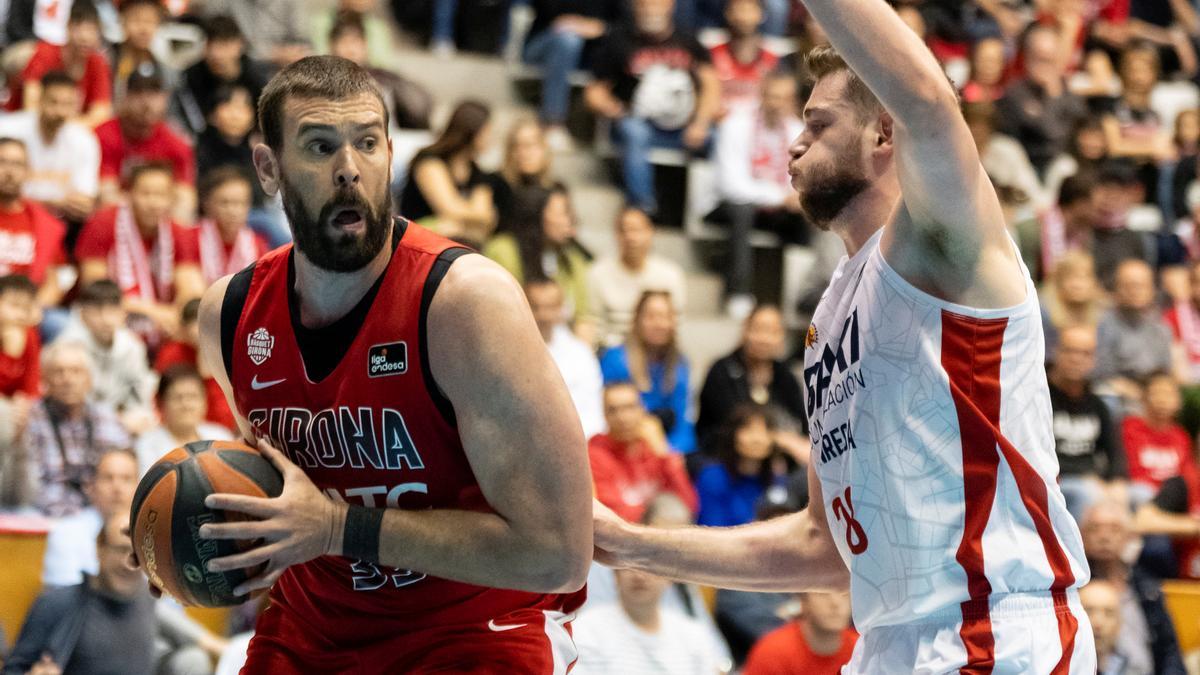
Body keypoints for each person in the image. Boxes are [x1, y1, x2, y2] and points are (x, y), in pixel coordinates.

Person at [594, 17, 1098, 670]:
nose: (795, 144)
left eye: (818, 123)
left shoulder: (938, 243)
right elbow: (821, 548)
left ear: (884, 132)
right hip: (889, 643)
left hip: (993, 629)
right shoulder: (827, 317)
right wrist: (629, 543)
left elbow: (925, 95)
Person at [163, 56, 591, 671]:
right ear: (268, 167)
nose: (348, 170)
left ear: (391, 153)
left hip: (471, 631)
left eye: (367, 143)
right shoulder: (228, 314)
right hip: (313, 632)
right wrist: (181, 544)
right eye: (318, 146)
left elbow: (558, 554)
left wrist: (339, 529)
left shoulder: (466, 302)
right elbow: (271, 492)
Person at [585, 0, 720, 214]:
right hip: (640, 125)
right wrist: (614, 109)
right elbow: (594, 91)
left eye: (656, 4)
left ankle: (712, 211)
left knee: (720, 137)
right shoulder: (619, 40)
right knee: (634, 131)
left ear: (671, 5)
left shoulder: (688, 39)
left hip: (684, 130)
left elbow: (711, 84)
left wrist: (701, 123)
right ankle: (642, 207)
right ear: (634, 7)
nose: (650, 10)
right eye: (644, 5)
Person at [4, 515, 156, 675]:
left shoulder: (150, 601)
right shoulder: (57, 603)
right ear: (99, 547)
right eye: (120, 550)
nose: (129, 563)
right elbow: (13, 669)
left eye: (138, 554)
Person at [712, 71, 807, 314]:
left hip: (780, 210)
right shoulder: (735, 124)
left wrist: (795, 199)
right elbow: (731, 185)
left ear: (792, 102)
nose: (776, 104)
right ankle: (738, 293)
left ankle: (805, 299)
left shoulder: (799, 132)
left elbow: (800, 180)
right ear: (761, 95)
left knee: (815, 217)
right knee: (741, 212)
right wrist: (780, 197)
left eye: (782, 99)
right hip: (732, 205)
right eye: (771, 97)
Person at [75, 163, 204, 338]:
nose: (153, 202)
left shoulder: (179, 231)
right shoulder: (103, 223)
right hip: (108, 316)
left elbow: (191, 289)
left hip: (164, 322)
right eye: (145, 194)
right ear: (128, 194)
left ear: (172, 198)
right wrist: (153, 311)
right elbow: (95, 288)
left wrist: (178, 315)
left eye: (160, 195)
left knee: (196, 328)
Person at [573, 539, 724, 674]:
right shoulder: (587, 629)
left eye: (648, 567)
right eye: (629, 566)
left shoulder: (694, 634)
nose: (639, 575)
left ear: (668, 577)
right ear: (615, 576)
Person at [20, 340, 130, 517]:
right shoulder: (31, 419)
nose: (68, 380)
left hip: (97, 514)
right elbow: (26, 486)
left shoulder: (105, 417)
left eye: (76, 372)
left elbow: (125, 467)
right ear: (45, 379)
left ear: (89, 380)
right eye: (59, 372)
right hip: (44, 513)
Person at [1081, 500, 1187, 675]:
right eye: (1095, 528)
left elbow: (1170, 651)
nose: (1104, 537)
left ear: (1129, 537)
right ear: (1081, 536)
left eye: (1114, 529)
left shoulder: (1147, 587)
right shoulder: (1071, 589)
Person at [696, 304, 806, 456]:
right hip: (723, 458)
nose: (764, 338)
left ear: (781, 336)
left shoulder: (785, 375)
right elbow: (733, 426)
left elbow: (802, 421)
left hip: (775, 462)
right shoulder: (722, 371)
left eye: (772, 332)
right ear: (745, 330)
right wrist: (784, 440)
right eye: (758, 329)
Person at [95, 70, 197, 225]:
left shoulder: (176, 143)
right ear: (125, 97)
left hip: (160, 224)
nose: (146, 102)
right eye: (138, 93)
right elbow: (106, 196)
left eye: (154, 94)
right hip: (114, 223)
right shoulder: (103, 136)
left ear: (165, 99)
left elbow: (185, 199)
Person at [1049, 324, 1129, 521]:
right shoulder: (1039, 398)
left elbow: (1115, 452)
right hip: (1055, 482)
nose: (1076, 359)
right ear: (1055, 351)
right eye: (1070, 351)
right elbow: (1033, 453)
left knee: (1140, 494)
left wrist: (1117, 482)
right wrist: (1085, 476)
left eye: (1085, 353)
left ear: (1094, 360)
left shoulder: (1098, 405)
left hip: (1093, 480)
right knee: (1086, 493)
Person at [56, 280, 158, 434]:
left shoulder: (132, 346)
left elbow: (140, 393)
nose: (105, 318)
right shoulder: (67, 346)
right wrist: (112, 419)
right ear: (82, 314)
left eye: (112, 311)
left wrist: (135, 416)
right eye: (97, 311)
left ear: (123, 314)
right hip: (78, 420)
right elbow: (68, 400)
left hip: (122, 418)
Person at [0, 70, 99, 225]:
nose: (60, 111)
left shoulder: (84, 139)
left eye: (67, 104)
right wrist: (56, 203)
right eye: (53, 102)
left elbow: (85, 201)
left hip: (63, 223)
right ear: (40, 100)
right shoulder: (7, 129)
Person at [601, 290, 695, 453]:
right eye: (651, 316)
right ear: (637, 320)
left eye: (665, 317)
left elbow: (683, 419)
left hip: (666, 445)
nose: (659, 324)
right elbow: (608, 413)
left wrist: (673, 452)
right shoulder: (615, 359)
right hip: (625, 441)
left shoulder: (679, 363)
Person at [589, 382, 698, 522]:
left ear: (643, 409)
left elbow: (689, 504)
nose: (622, 417)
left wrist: (664, 453)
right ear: (604, 415)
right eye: (613, 410)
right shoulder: (596, 452)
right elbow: (610, 513)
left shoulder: (654, 446)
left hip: (663, 531)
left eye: (629, 407)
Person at [522, 0, 623, 150]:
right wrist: (584, 26)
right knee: (568, 40)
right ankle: (552, 122)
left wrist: (599, 26)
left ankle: (617, 117)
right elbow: (555, 17)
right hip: (543, 43)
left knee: (618, 41)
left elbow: (623, 23)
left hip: (591, 53)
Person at [484, 184, 591, 321]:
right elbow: (496, 311)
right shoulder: (502, 251)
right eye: (563, 213)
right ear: (536, 215)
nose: (570, 221)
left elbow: (583, 317)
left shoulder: (572, 260)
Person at [398, 100, 497, 243]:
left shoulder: (478, 172)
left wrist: (461, 223)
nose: (490, 138)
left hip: (457, 241)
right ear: (472, 130)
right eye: (487, 131)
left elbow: (486, 219)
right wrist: (473, 218)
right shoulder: (429, 161)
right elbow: (450, 208)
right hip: (417, 237)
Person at [996, 23, 1089, 175]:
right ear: (1026, 57)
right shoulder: (1014, 93)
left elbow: (1080, 132)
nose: (1044, 66)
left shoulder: (1070, 94)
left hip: (1062, 172)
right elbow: (1050, 134)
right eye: (1038, 58)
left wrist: (1054, 95)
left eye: (1049, 59)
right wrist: (1053, 95)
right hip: (1025, 171)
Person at [587, 207, 686, 348]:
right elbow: (593, 324)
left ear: (650, 232)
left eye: (636, 230)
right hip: (612, 352)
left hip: (657, 352)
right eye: (624, 231)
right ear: (616, 235)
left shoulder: (671, 275)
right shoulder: (597, 273)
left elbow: (675, 326)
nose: (630, 237)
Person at [4, 0, 113, 127]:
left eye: (92, 30)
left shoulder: (98, 63)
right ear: (67, 27)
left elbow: (101, 114)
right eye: (79, 28)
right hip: (25, 126)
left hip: (70, 132)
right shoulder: (45, 53)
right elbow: (31, 106)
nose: (85, 37)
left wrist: (68, 129)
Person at [42, 448, 138, 586]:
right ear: (91, 486)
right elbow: (65, 598)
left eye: (126, 479)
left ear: (139, 486)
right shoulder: (65, 534)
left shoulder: (152, 536)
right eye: (108, 478)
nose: (117, 488)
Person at [695, 404, 800, 527]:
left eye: (765, 430)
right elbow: (711, 528)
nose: (757, 438)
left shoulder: (777, 479)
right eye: (748, 429)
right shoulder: (713, 477)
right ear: (733, 434)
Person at [526, 278, 605, 439]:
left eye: (550, 307)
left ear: (563, 308)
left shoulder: (580, 353)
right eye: (535, 307)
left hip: (581, 441)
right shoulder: (509, 350)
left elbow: (593, 411)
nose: (543, 315)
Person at [327, 12, 432, 132]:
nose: (350, 49)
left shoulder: (384, 77)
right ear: (331, 45)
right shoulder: (320, 79)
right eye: (344, 42)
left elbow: (419, 108)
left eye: (355, 42)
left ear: (365, 45)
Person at [171, 14, 271, 138]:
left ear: (239, 45)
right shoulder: (190, 77)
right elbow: (191, 122)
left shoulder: (258, 76)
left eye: (223, 45)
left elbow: (269, 119)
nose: (215, 53)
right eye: (210, 45)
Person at [1094, 259, 1174, 403]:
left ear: (1152, 289)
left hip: (1153, 396)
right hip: (1119, 395)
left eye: (1141, 286)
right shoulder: (1103, 325)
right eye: (1128, 286)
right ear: (1116, 289)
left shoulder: (1161, 328)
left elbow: (1165, 373)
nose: (1134, 291)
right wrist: (1132, 391)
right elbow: (1101, 375)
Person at [0, 137, 68, 307]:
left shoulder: (46, 224)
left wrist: (30, 311)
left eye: (17, 164)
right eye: (2, 162)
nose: (9, 171)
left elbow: (53, 283)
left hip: (28, 308)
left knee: (60, 323)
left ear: (28, 172)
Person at [154, 299, 236, 431]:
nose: (198, 331)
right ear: (183, 328)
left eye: (204, 324)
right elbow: (162, 396)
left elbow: (225, 419)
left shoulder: (226, 351)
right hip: (175, 427)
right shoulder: (172, 353)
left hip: (216, 428)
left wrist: (207, 361)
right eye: (194, 324)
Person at [136, 365, 233, 474]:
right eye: (177, 397)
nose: (186, 405)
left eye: (193, 396)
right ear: (161, 403)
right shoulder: (147, 444)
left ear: (205, 401)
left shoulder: (222, 437)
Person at [1122, 372, 1197, 504]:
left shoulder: (1181, 435)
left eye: (1168, 394)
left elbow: (1189, 477)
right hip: (1144, 496)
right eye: (1156, 393)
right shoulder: (1130, 428)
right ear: (1143, 398)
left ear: (1178, 402)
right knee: (1141, 493)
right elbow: (1131, 473)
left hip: (1174, 498)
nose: (1162, 400)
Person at [742, 591, 858, 675]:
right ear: (803, 601)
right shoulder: (772, 652)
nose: (835, 603)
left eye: (844, 594)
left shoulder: (863, 647)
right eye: (822, 594)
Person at [195, 167, 270, 286]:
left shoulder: (257, 244)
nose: (233, 211)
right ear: (207, 204)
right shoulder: (191, 237)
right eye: (225, 203)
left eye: (241, 203)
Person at [709, 0, 780, 115]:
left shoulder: (772, 58)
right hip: (722, 120)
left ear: (761, 14)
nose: (744, 17)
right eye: (740, 9)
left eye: (750, 10)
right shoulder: (714, 54)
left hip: (758, 122)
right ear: (728, 14)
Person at [1134, 461, 1200, 579]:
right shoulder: (1184, 483)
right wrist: (1194, 527)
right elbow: (1142, 521)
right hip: (1183, 578)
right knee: (1156, 546)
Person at [110, 0, 166, 105]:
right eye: (136, 20)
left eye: (150, 21)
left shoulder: (162, 69)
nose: (143, 29)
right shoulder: (107, 58)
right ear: (122, 20)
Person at [1080, 580, 1140, 675]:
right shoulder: (1058, 665)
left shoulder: (1134, 668)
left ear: (1120, 622)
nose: (1098, 623)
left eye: (1109, 613)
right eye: (1089, 611)